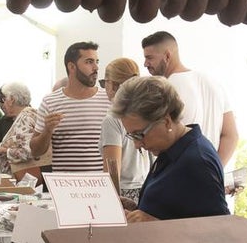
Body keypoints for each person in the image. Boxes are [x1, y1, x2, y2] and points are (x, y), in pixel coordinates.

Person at [110, 76, 229, 222]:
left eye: (139, 135)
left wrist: (155, 224)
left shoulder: (197, 162)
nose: (137, 144)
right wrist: (137, 209)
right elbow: (175, 210)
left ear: (166, 121)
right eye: (132, 136)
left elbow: (219, 232)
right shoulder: (172, 150)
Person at [141, 31, 238, 166]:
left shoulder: (165, 89)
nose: (145, 64)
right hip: (209, 174)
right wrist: (215, 170)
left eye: (149, 58)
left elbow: (162, 139)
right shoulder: (213, 83)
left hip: (179, 173)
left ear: (167, 56)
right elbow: (231, 135)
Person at [29, 42, 109, 172]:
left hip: (100, 185)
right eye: (89, 62)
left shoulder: (108, 99)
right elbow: (35, 151)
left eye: (97, 61)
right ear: (72, 67)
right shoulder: (50, 101)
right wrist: (47, 131)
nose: (96, 67)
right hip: (63, 187)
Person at [99, 58, 149, 203]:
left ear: (113, 85)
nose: (104, 88)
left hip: (124, 193)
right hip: (145, 187)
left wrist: (111, 201)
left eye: (104, 83)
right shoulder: (143, 111)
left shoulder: (113, 118)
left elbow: (112, 168)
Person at [0, 82, 51, 181]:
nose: (2, 104)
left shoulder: (25, 118)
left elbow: (28, 151)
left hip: (26, 179)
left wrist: (3, 150)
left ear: (12, 100)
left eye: (3, 99)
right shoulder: (32, 115)